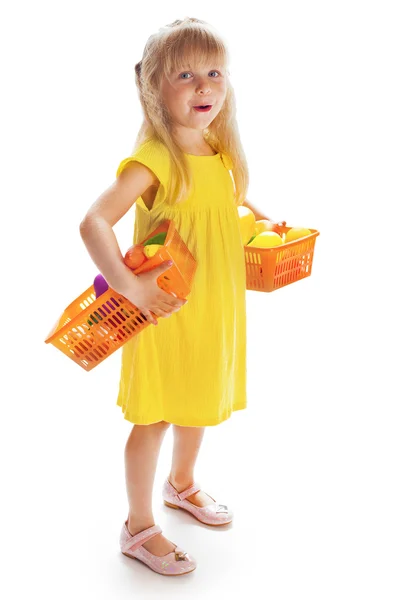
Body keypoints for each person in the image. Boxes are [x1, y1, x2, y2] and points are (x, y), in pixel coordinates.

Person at [79, 17, 276, 576]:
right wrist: (131, 286)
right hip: (165, 312)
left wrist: (265, 222)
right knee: (156, 417)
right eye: (185, 74)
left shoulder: (217, 148)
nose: (204, 86)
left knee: (198, 400)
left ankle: (181, 484)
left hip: (212, 308)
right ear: (154, 87)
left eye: (214, 73)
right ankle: (138, 527)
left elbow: (229, 205)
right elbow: (94, 221)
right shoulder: (157, 159)